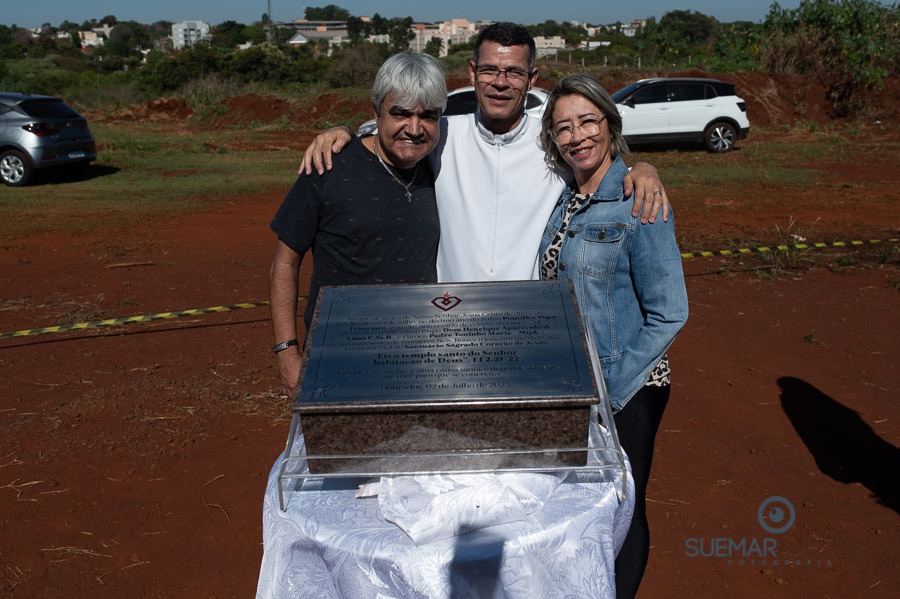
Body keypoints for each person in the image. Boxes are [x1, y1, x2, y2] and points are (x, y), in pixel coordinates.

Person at [300, 22, 670, 284]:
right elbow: (392, 133)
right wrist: (344, 132)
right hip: (449, 319)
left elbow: (596, 147)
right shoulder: (443, 133)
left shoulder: (551, 137)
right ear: (473, 71)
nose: (500, 82)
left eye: (513, 72)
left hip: (528, 321)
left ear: (532, 78)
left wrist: (641, 167)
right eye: (490, 69)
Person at [538, 74, 689, 599]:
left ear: (610, 124)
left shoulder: (638, 198)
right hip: (576, 386)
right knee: (581, 503)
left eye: (587, 121)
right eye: (563, 128)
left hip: (630, 386)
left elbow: (670, 312)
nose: (577, 136)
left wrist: (612, 391)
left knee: (624, 503)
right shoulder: (567, 199)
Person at [269, 52, 447, 398]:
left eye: (428, 116)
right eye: (400, 113)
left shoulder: (440, 168)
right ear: (377, 109)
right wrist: (287, 350)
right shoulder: (328, 169)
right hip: (338, 358)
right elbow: (284, 263)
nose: (414, 128)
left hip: (420, 358)